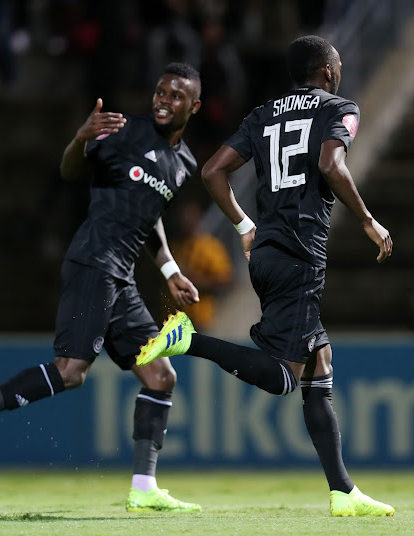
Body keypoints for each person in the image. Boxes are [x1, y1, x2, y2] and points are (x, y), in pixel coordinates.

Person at [136, 36, 395, 517]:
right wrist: (365, 219)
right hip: (300, 256)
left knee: (320, 361)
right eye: (336, 65)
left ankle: (342, 491)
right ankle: (187, 340)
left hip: (266, 252)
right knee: (282, 377)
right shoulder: (339, 107)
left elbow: (213, 170)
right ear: (329, 72)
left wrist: (242, 224)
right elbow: (330, 164)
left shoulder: (264, 114)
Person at [0, 62, 204, 513]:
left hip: (122, 276)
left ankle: (143, 487)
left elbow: (149, 212)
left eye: (175, 96)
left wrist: (170, 269)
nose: (163, 100)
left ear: (193, 107)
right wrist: (80, 138)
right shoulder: (122, 131)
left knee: (160, 374)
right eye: (159, 92)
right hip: (94, 261)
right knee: (71, 370)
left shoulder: (185, 163)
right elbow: (68, 171)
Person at [169, 199, 233, 331]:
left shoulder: (209, 246)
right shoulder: (174, 248)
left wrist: (193, 281)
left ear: (198, 217)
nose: (185, 220)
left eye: (189, 216)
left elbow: (225, 280)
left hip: (202, 319)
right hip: (176, 322)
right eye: (182, 217)